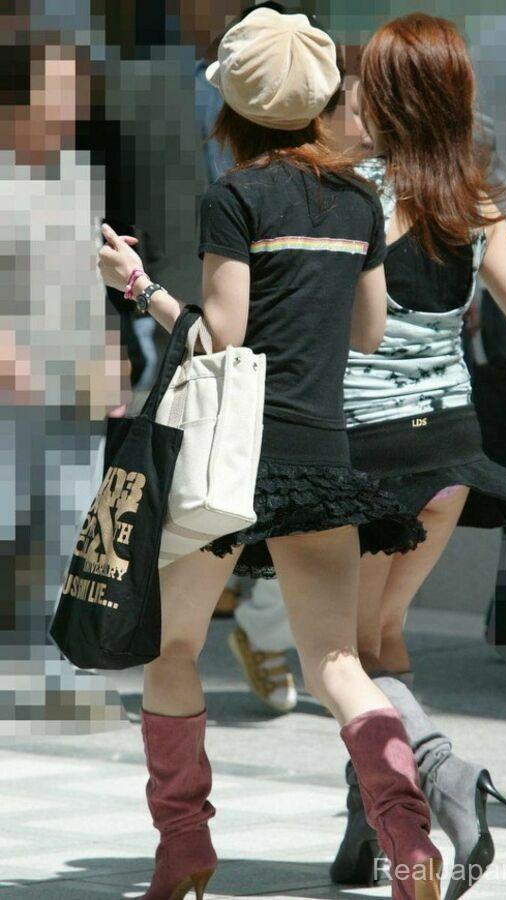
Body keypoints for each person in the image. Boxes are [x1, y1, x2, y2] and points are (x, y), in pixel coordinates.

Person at [97, 8, 444, 900]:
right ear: (321, 102)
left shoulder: (235, 196)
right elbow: (368, 333)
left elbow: (221, 336)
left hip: (230, 454)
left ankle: (184, 846)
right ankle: (407, 833)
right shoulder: (359, 203)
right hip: (320, 452)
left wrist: (139, 287)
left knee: (174, 649)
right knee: (337, 663)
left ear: (236, 108)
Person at [330, 14, 506, 900]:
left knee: (343, 655)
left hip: (369, 454)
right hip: (453, 454)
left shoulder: (351, 193)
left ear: (385, 97)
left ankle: (443, 775)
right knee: (384, 636)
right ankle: (367, 828)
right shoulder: (474, 201)